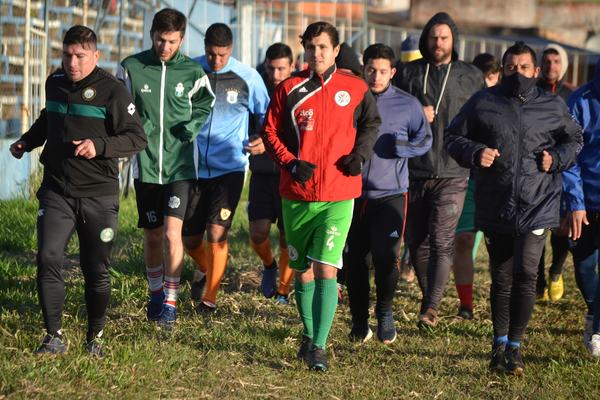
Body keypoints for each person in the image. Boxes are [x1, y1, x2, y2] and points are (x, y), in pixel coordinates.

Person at [445, 41, 583, 376]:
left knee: (525, 273)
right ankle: (499, 344)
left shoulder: (552, 105)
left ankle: (516, 349)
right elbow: (453, 137)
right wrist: (476, 152)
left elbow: (574, 140)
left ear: (535, 72)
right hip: (497, 202)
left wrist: (557, 160)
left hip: (538, 202)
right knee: (502, 277)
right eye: (511, 67)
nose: (517, 73)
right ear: (503, 69)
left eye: (524, 68)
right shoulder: (484, 101)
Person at [9, 25, 147, 356]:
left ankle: (94, 336)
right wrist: (28, 141)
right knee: (48, 257)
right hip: (57, 190)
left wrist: (98, 146)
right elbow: (48, 119)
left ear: (95, 56)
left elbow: (136, 138)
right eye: (67, 55)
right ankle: (53, 335)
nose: (72, 63)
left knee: (95, 268)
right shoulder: (54, 83)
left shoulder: (113, 91)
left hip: (99, 194)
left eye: (80, 56)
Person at [261, 21, 380, 371]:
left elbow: (373, 124)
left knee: (327, 267)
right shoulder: (289, 88)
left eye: (324, 47)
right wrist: (290, 162)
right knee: (302, 271)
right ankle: (309, 334)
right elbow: (268, 131)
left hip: (340, 193)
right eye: (311, 47)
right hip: (297, 194)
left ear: (337, 50)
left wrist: (360, 155)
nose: (317, 53)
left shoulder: (356, 88)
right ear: (304, 49)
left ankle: (319, 346)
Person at [118, 8, 215, 329]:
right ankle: (155, 292)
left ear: (182, 39)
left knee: (174, 234)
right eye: (160, 40)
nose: (165, 47)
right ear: (151, 36)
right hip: (145, 166)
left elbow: (205, 102)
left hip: (180, 167)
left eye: (172, 41)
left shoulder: (191, 71)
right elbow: (117, 107)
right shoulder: (132, 67)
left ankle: (171, 302)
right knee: (153, 236)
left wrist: (192, 126)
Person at [393, 12, 484, 329]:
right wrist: (415, 115)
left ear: (454, 40)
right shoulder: (408, 73)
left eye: (444, 37)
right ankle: (428, 297)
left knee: (442, 240)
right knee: (416, 243)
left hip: (453, 170)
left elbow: (483, 119)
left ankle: (430, 308)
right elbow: (391, 113)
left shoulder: (470, 76)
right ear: (425, 40)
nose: (438, 43)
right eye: (433, 37)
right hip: (414, 169)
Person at [345, 43, 432, 344]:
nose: (376, 76)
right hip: (352, 192)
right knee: (355, 259)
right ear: (363, 68)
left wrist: (404, 148)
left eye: (383, 71)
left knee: (385, 257)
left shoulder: (408, 105)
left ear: (393, 72)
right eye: (371, 70)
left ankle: (384, 311)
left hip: (391, 193)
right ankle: (358, 321)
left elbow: (426, 139)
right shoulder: (351, 99)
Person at [183, 23, 270, 313]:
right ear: (204, 47)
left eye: (221, 55)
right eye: (210, 54)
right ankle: (208, 268)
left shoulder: (248, 77)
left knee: (216, 233)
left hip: (231, 168)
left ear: (230, 50)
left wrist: (264, 140)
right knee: (190, 238)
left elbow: (269, 116)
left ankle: (210, 298)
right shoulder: (191, 71)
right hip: (193, 168)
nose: (215, 60)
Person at [450, 53, 501, 320]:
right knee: (463, 241)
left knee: (498, 247)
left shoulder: (507, 104)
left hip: (496, 184)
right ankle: (466, 304)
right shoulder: (468, 104)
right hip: (468, 181)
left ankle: (500, 300)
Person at [249, 42, 294, 303]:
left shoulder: (300, 90)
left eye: (281, 69)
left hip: (289, 173)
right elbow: (244, 123)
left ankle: (284, 289)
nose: (275, 75)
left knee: (288, 236)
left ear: (292, 66)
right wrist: (251, 139)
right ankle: (269, 265)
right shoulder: (257, 88)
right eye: (271, 69)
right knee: (258, 232)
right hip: (262, 174)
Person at [563, 59, 600, 356]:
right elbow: (569, 157)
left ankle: (598, 327)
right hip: (586, 201)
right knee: (585, 267)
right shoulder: (580, 101)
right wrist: (576, 202)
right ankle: (594, 311)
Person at [535, 43, 575, 301]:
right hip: (535, 168)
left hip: (561, 167)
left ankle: (556, 272)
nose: (551, 66)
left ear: (563, 65)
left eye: (556, 62)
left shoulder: (571, 94)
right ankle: (537, 279)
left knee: (560, 229)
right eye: (547, 62)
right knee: (536, 228)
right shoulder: (532, 91)